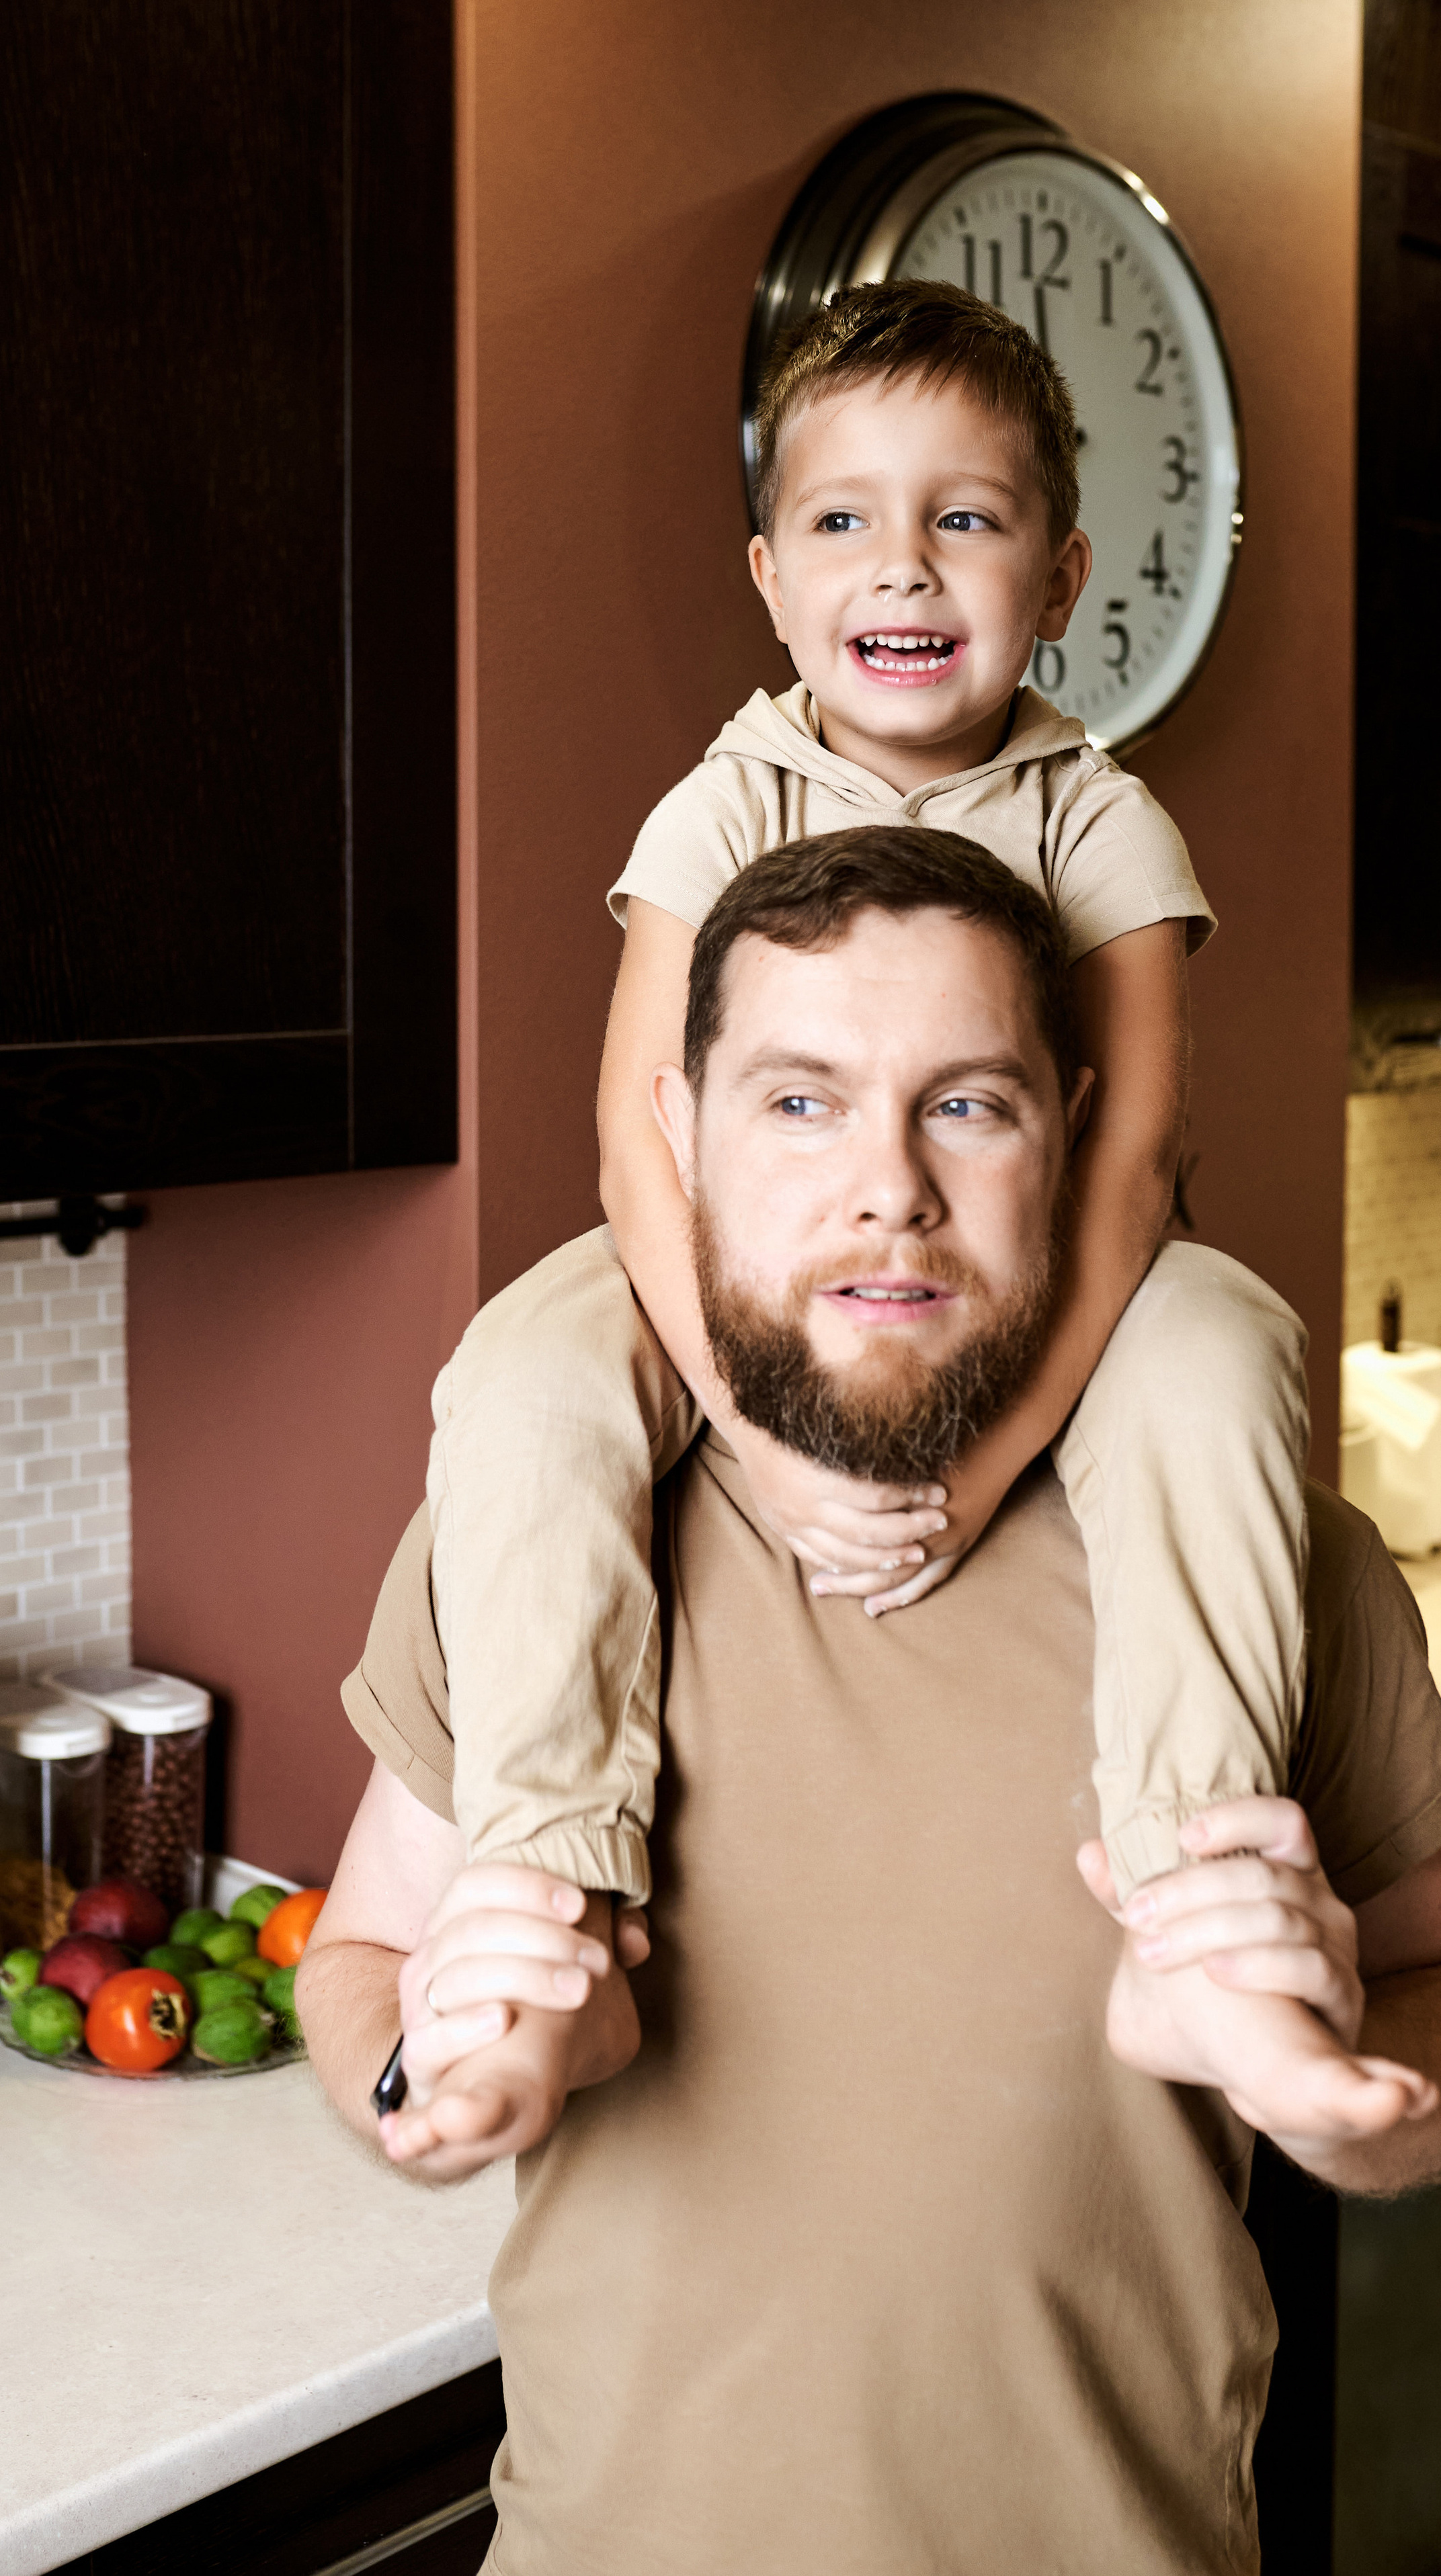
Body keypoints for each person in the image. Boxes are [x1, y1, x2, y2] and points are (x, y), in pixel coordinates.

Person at [299, 830, 1441, 2576]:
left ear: (1077, 1136)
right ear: (682, 1140)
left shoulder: (1261, 1559)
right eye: (800, 1102)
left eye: (967, 1103)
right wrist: (424, 2070)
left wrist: (1365, 2069)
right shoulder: (539, 1541)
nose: (887, 1182)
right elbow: (361, 1954)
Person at [427, 280, 1315, 2127]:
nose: (902, 569)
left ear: (1060, 576)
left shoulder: (1100, 819)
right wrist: (759, 1434)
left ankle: (1194, 1916)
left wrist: (975, 1481)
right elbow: (634, 1131)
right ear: (769, 576)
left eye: (964, 519)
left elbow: (1132, 1162)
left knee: (1230, 1352)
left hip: (1047, 1265)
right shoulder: (720, 800)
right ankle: (552, 1908)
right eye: (843, 519)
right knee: (519, 1373)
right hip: (746, 1271)